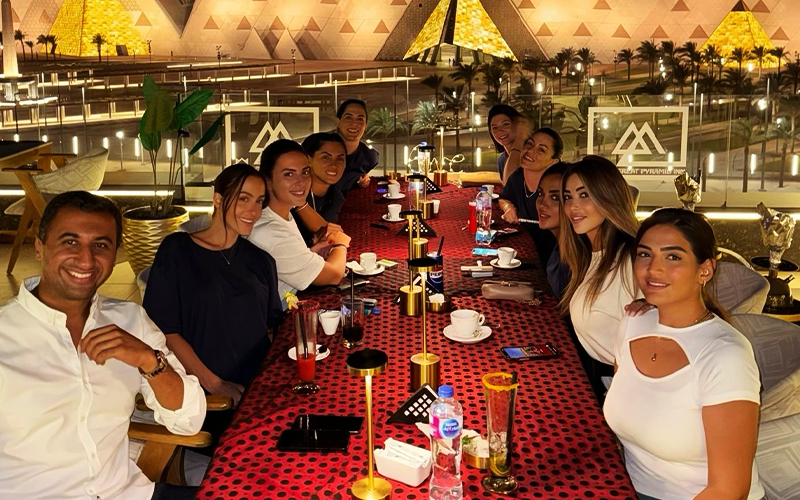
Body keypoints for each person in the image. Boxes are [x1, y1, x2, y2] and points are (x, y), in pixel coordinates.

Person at [0, 191, 206, 500]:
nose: (86, 259)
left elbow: (188, 420)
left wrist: (148, 360)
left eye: (101, 245)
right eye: (70, 242)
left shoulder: (130, 319)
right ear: (40, 248)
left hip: (125, 493)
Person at [604, 209, 765, 500]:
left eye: (673, 257)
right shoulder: (632, 324)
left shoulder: (726, 356)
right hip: (629, 487)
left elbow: (729, 490)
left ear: (705, 270)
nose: (653, 268)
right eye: (644, 254)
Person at [143, 164, 283, 406]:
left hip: (259, 390)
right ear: (218, 199)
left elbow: (271, 329)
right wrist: (214, 384)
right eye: (243, 199)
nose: (253, 211)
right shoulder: (178, 249)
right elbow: (164, 330)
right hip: (206, 394)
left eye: (259, 201)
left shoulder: (261, 260)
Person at [559, 156, 640, 368]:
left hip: (620, 386)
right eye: (568, 197)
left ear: (608, 196)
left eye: (584, 195)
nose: (573, 207)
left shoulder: (631, 261)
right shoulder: (590, 254)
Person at [250, 139, 351, 308]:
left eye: (305, 172)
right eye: (289, 174)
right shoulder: (269, 230)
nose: (301, 182)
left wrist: (309, 253)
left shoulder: (281, 212)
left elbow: (280, 261)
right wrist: (340, 243)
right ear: (267, 181)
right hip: (271, 319)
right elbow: (334, 275)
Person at [498, 127, 563, 266]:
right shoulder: (517, 177)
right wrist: (509, 207)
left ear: (553, 161)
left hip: (552, 256)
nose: (530, 151)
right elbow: (504, 198)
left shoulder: (556, 189)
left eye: (541, 150)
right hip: (523, 251)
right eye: (529, 144)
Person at [292, 132, 347, 246]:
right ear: (309, 160)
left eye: (340, 159)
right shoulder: (291, 190)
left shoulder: (336, 196)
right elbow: (327, 232)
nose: (334, 165)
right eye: (325, 157)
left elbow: (327, 235)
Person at [533, 161, 570, 299]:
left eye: (555, 197)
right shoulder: (559, 245)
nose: (542, 204)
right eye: (540, 193)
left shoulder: (578, 257)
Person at [333, 99, 379, 193]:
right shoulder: (319, 147)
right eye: (348, 118)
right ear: (338, 121)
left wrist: (360, 181)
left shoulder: (369, 157)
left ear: (366, 125)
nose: (354, 124)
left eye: (360, 119)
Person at [487, 104, 526, 184]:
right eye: (495, 128)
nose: (500, 131)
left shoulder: (530, 156)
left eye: (505, 124)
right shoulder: (502, 160)